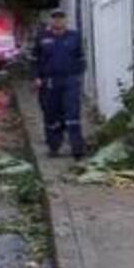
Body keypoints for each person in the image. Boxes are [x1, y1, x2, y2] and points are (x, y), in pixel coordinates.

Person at [32, 9, 87, 159]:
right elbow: (35, 60)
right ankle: (54, 146)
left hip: (70, 81)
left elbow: (81, 58)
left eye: (61, 18)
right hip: (49, 82)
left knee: (72, 114)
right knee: (52, 116)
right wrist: (36, 77)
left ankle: (77, 148)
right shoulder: (42, 38)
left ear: (65, 20)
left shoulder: (74, 37)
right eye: (55, 18)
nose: (58, 21)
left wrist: (77, 75)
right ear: (51, 21)